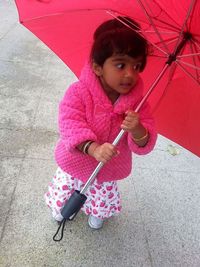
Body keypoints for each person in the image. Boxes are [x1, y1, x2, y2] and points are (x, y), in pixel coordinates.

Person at [44, 16, 157, 229]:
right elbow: (70, 123)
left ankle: (98, 212)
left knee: (101, 195)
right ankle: (63, 207)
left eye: (137, 66)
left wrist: (138, 129)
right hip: (75, 161)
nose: (130, 74)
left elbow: (144, 143)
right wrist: (93, 148)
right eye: (121, 64)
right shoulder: (79, 92)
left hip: (107, 168)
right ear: (97, 67)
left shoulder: (138, 104)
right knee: (67, 190)